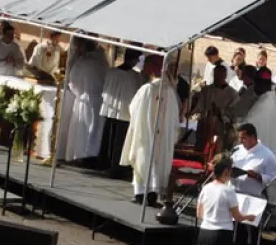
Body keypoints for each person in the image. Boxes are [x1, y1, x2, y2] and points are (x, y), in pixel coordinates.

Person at [120, 55, 181, 207]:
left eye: (146, 64)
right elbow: (175, 119)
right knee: (156, 162)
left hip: (146, 133)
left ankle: (141, 194)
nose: (143, 67)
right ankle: (153, 194)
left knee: (144, 158)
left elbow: (133, 108)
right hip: (162, 136)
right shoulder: (170, 92)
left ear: (153, 67)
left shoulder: (147, 89)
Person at [231, 123, 276, 245]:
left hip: (254, 197)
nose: (241, 141)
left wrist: (256, 175)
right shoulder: (237, 151)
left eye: (243, 138)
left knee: (251, 233)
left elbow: (272, 178)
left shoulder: (267, 155)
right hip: (237, 194)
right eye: (239, 138)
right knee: (237, 232)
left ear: (253, 137)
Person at [59, 39, 109, 163]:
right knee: (94, 130)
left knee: (82, 129)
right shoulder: (103, 63)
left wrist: (78, 93)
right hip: (99, 99)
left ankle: (79, 155)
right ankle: (91, 156)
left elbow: (72, 82)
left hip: (84, 99)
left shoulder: (82, 63)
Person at [100, 49, 145, 177]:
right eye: (136, 59)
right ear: (132, 59)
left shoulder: (112, 72)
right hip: (124, 111)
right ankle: (114, 166)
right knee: (118, 141)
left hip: (112, 109)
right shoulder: (134, 77)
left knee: (111, 138)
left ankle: (108, 164)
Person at [243, 70, 276, 205]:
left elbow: (251, 124)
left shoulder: (266, 102)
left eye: (256, 84)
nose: (254, 87)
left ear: (262, 84)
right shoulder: (268, 98)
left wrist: (237, 124)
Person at [192, 64, 238, 150]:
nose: (218, 77)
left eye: (220, 75)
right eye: (216, 74)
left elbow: (235, 113)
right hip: (205, 126)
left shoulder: (232, 94)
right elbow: (200, 106)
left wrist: (221, 112)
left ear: (225, 75)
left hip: (221, 129)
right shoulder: (206, 90)